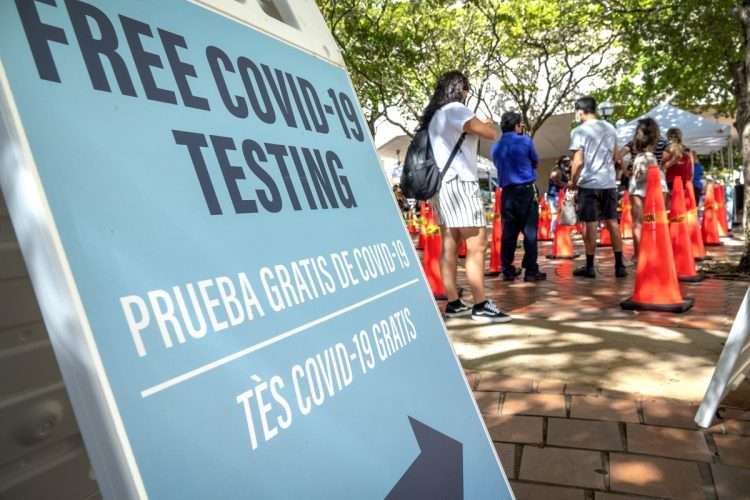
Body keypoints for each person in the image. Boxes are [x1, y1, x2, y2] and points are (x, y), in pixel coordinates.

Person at [421, 70, 511, 323]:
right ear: (460, 89)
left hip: (443, 186)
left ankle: (454, 302)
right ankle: (481, 305)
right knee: (477, 243)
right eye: (466, 89)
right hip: (461, 184)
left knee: (449, 245)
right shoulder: (456, 110)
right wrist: (490, 124)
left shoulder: (436, 116)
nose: (468, 93)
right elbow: (490, 133)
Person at [567, 96, 627, 278]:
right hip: (608, 183)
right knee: (612, 222)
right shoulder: (610, 128)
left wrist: (572, 181)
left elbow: (578, 161)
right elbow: (617, 156)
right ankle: (619, 265)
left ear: (580, 111)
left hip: (588, 184)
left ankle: (590, 266)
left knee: (590, 224)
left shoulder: (579, 131)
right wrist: (620, 172)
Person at [492, 112, 546, 282]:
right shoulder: (525, 141)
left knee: (509, 234)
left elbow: (497, 164)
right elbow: (536, 162)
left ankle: (507, 269)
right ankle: (531, 270)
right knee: (530, 233)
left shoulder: (496, 146)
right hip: (526, 191)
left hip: (507, 193)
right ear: (517, 126)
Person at [628, 118, 668, 261]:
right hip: (658, 179)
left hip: (639, 185)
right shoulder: (663, 142)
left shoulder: (633, 145)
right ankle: (657, 251)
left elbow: (619, 155)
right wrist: (664, 165)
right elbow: (676, 152)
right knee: (655, 219)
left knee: (639, 221)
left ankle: (640, 255)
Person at [548, 156, 570, 232]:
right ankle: (553, 230)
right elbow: (556, 181)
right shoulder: (557, 171)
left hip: (559, 195)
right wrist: (568, 185)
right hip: (555, 195)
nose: (568, 164)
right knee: (556, 214)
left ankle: (559, 231)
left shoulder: (563, 171)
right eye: (566, 162)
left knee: (561, 214)